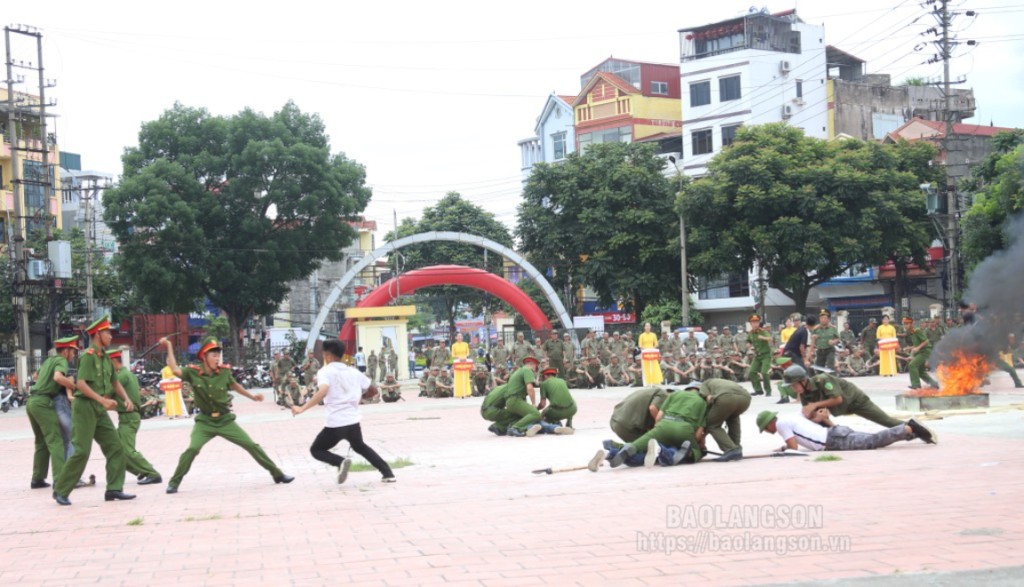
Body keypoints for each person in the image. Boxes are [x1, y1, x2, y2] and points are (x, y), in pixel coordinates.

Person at [162, 336, 293, 494]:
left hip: (225, 420)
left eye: (218, 355)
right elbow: (174, 369)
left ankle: (277, 474)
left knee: (251, 446)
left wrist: (252, 397)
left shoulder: (224, 372)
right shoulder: (193, 372)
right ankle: (174, 483)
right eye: (213, 355)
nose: (217, 358)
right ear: (204, 356)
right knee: (192, 449)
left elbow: (235, 386)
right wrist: (169, 345)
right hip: (205, 422)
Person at [52, 316, 135, 506]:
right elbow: (80, 384)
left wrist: (126, 398)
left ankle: (114, 488)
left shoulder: (106, 357)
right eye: (107, 332)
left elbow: (114, 382)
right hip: (85, 407)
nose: (111, 336)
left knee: (115, 447)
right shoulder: (88, 357)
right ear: (98, 334)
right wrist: (103, 401)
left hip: (99, 406)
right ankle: (61, 490)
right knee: (81, 451)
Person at [291, 339, 395, 484]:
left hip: (335, 422)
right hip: (353, 420)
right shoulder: (353, 371)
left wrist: (302, 408)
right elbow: (373, 390)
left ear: (327, 355)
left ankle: (340, 462)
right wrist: (359, 397)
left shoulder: (325, 372)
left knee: (317, 450)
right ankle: (387, 473)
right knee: (360, 447)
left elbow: (323, 391)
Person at [27, 336, 80, 490]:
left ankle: (37, 479)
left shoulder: (48, 361)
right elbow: (58, 377)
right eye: (72, 351)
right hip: (43, 402)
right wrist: (72, 384)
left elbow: (36, 376)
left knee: (41, 441)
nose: (73, 355)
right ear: (66, 351)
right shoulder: (61, 361)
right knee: (55, 440)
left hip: (32, 402)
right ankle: (60, 479)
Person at [606, 386, 705, 468]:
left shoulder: (675, 395)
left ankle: (613, 450)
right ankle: (673, 452)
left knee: (637, 446)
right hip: (685, 429)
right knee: (696, 451)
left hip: (661, 425)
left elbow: (658, 418)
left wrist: (656, 432)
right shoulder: (702, 402)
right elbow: (698, 434)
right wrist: (700, 446)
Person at [780, 364, 905, 428]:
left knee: (886, 421)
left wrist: (815, 405)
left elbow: (837, 399)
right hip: (843, 408)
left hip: (856, 401)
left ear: (803, 380)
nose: (792, 388)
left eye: (794, 384)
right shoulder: (805, 395)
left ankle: (917, 429)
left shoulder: (823, 380)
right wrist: (831, 427)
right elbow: (812, 416)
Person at [757, 410, 937, 451]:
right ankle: (913, 432)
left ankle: (907, 427)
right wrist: (783, 448)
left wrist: (783, 451)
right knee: (872, 439)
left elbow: (794, 448)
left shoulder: (781, 425)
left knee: (872, 442)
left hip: (833, 441)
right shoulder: (790, 417)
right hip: (835, 432)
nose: (766, 431)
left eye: (764, 428)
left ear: (769, 423)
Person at [110, 349, 162, 485]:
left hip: (128, 417)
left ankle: (151, 473)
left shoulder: (120, 376)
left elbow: (107, 392)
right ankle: (141, 470)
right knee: (116, 449)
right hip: (129, 417)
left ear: (113, 362)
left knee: (127, 450)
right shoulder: (129, 374)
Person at [694, 379, 751, 461]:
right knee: (733, 418)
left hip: (726, 398)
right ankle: (736, 447)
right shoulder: (722, 381)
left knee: (712, 425)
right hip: (746, 398)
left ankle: (731, 449)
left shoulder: (705, 383)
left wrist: (703, 434)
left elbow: (708, 399)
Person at [537, 368, 577, 433]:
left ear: (545, 376)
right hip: (572, 410)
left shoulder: (544, 384)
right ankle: (569, 424)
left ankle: (556, 424)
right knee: (570, 401)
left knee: (544, 413)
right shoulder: (562, 381)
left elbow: (542, 404)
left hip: (557, 412)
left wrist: (536, 409)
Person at [904, 317, 939, 389]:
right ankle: (934, 384)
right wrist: (909, 348)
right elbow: (917, 344)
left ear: (911, 324)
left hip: (925, 352)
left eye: (907, 324)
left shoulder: (917, 331)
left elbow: (926, 341)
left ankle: (916, 385)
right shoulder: (912, 332)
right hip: (921, 352)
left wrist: (917, 348)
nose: (905, 326)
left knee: (912, 365)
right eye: (904, 324)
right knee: (921, 371)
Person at [746, 315, 774, 398]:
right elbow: (748, 340)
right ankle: (758, 390)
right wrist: (748, 344)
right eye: (753, 322)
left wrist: (763, 337)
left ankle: (768, 391)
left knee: (764, 372)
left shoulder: (762, 331)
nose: (755, 324)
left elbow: (770, 339)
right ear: (751, 323)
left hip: (766, 355)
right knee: (752, 372)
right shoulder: (750, 333)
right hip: (757, 356)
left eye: (757, 322)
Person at [451, 333, 472, 399]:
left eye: (461, 336)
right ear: (456, 338)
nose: (460, 337)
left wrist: (465, 357)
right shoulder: (454, 345)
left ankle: (467, 392)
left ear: (462, 337)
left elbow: (468, 353)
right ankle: (458, 393)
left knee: (466, 377)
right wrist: (459, 357)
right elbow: (453, 355)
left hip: (465, 362)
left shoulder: (466, 344)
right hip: (458, 362)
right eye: (458, 336)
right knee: (458, 378)